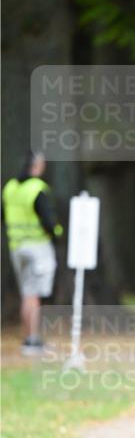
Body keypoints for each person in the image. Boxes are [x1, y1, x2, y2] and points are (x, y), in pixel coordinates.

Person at [2, 152, 62, 355]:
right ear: (37, 166)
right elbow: (48, 220)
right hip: (37, 247)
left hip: (17, 247)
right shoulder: (37, 189)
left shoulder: (10, 188)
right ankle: (32, 341)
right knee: (33, 295)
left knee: (27, 294)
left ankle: (29, 338)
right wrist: (57, 234)